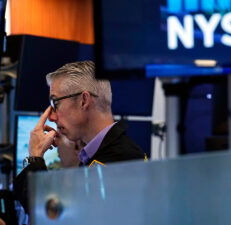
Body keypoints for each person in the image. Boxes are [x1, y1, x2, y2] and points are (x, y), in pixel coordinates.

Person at [14, 61, 144, 212]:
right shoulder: (105, 154)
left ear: (84, 101)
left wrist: (35, 156)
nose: (52, 117)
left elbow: (50, 217)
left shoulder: (116, 163)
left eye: (55, 103)